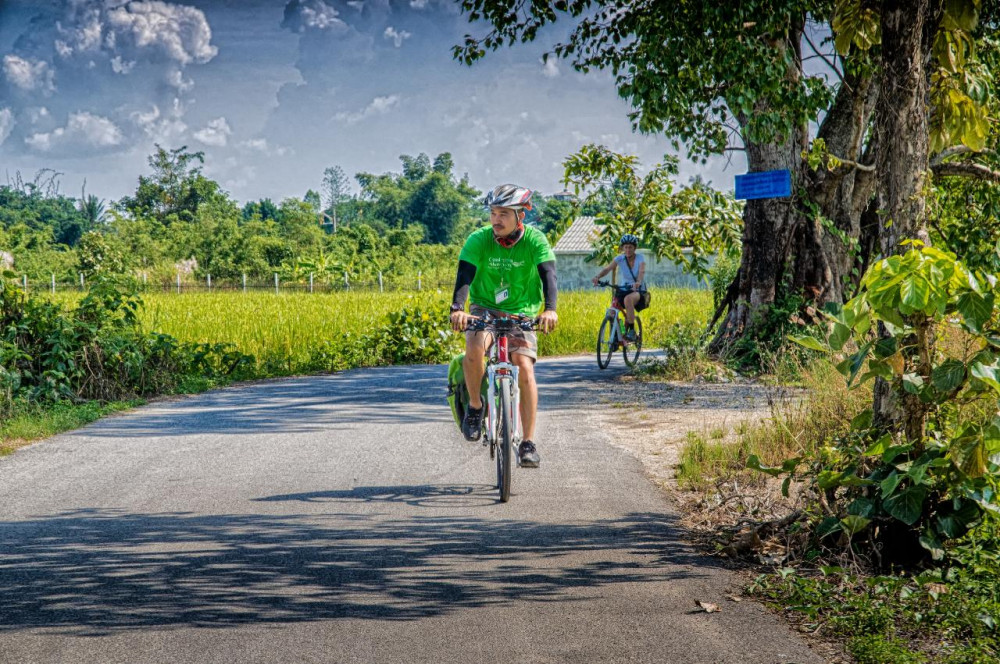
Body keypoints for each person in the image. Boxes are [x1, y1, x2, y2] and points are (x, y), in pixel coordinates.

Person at [449, 184, 558, 468]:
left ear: (520, 216)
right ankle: (475, 407)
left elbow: (548, 274)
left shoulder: (535, 240)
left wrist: (550, 310)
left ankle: (528, 443)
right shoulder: (479, 239)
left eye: (503, 214)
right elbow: (465, 275)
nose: (496, 220)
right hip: (484, 307)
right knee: (474, 348)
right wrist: (458, 309)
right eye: (493, 213)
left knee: (524, 366)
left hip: (521, 312)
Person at [591, 234, 645, 341]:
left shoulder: (640, 258)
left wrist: (638, 282)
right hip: (623, 289)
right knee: (612, 311)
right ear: (622, 248)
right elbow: (607, 269)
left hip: (637, 290)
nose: (628, 249)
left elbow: (641, 271)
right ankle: (618, 335)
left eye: (630, 247)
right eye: (625, 247)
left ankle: (632, 331)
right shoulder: (619, 259)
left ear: (634, 248)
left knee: (627, 300)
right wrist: (598, 277)